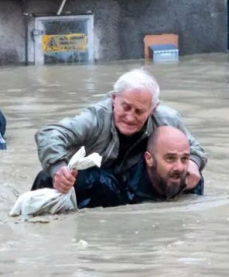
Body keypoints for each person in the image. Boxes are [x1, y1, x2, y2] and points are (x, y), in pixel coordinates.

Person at [33, 67, 207, 195]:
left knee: (190, 177)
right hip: (97, 180)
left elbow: (195, 149)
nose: (130, 118)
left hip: (133, 181)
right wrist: (59, 170)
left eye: (139, 111)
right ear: (114, 99)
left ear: (153, 109)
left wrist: (193, 163)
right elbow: (49, 134)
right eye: (126, 107)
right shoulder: (95, 118)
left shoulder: (167, 119)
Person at [54, 126, 204, 209]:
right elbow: (46, 180)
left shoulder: (192, 179)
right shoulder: (108, 186)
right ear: (149, 159)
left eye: (184, 158)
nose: (179, 167)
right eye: (170, 159)